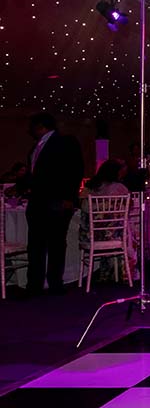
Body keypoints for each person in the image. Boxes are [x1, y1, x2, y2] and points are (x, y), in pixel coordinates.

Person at [24, 112, 84, 295]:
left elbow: (75, 170)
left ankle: (55, 284)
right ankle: (34, 286)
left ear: (41, 126)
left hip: (58, 202)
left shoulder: (65, 142)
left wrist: (69, 198)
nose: (30, 131)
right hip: (37, 203)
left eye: (32, 127)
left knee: (56, 244)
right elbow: (36, 176)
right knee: (35, 245)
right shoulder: (36, 147)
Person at [80, 158, 131, 281]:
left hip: (91, 235)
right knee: (128, 229)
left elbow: (82, 207)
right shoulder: (120, 189)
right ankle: (121, 271)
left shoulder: (90, 187)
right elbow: (128, 208)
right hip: (113, 235)